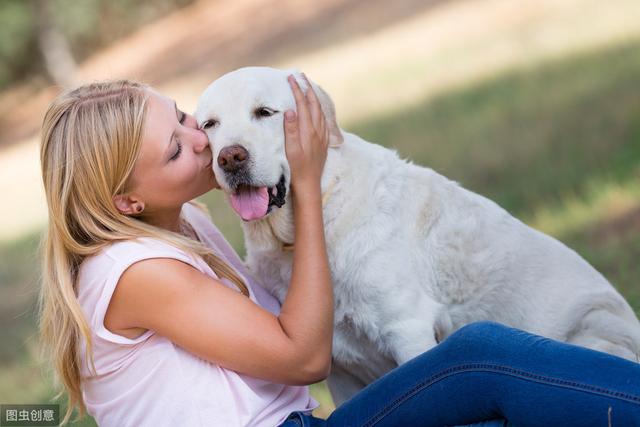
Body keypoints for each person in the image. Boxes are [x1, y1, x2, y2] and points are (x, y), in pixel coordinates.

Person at [38, 76, 640, 427]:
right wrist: (305, 184)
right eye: (176, 150)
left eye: (187, 119)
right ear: (127, 203)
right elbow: (305, 357)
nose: (207, 144)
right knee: (473, 358)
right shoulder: (136, 272)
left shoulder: (186, 223)